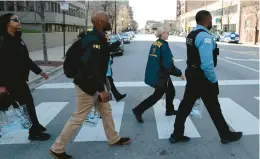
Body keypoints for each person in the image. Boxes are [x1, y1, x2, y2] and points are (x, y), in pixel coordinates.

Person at [49, 11, 131, 159]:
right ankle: (57, 148)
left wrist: (116, 44)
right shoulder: (93, 41)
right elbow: (89, 68)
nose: (109, 22)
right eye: (107, 20)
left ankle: (113, 138)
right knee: (78, 117)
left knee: (106, 111)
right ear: (100, 22)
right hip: (88, 85)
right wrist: (101, 90)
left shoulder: (96, 38)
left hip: (95, 82)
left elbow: (101, 53)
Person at [169, 10, 242, 144]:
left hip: (192, 73)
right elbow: (207, 64)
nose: (212, 23)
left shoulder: (192, 34)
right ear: (206, 21)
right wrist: (213, 80)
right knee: (214, 107)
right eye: (211, 20)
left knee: (185, 105)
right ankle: (225, 135)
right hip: (202, 77)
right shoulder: (205, 37)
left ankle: (176, 134)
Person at [0, 13, 50, 141]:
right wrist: (2, 85)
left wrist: (39, 71)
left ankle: (35, 126)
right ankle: (34, 131)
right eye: (15, 20)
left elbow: (25, 59)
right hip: (9, 80)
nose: (19, 22)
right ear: (7, 23)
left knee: (25, 103)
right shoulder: (2, 41)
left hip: (19, 78)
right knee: (26, 103)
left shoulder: (18, 38)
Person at [132, 27, 185, 123]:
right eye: (166, 32)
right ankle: (138, 110)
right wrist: (179, 73)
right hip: (161, 74)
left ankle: (169, 110)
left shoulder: (156, 43)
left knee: (171, 91)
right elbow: (168, 64)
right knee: (157, 96)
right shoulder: (163, 45)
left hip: (158, 72)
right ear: (162, 33)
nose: (168, 34)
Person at [105, 33, 127, 102]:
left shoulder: (106, 43)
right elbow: (110, 48)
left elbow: (110, 52)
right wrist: (118, 42)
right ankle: (113, 96)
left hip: (107, 69)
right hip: (104, 70)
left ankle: (117, 96)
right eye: (107, 36)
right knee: (108, 83)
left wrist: (111, 55)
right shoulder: (103, 44)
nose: (108, 37)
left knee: (110, 83)